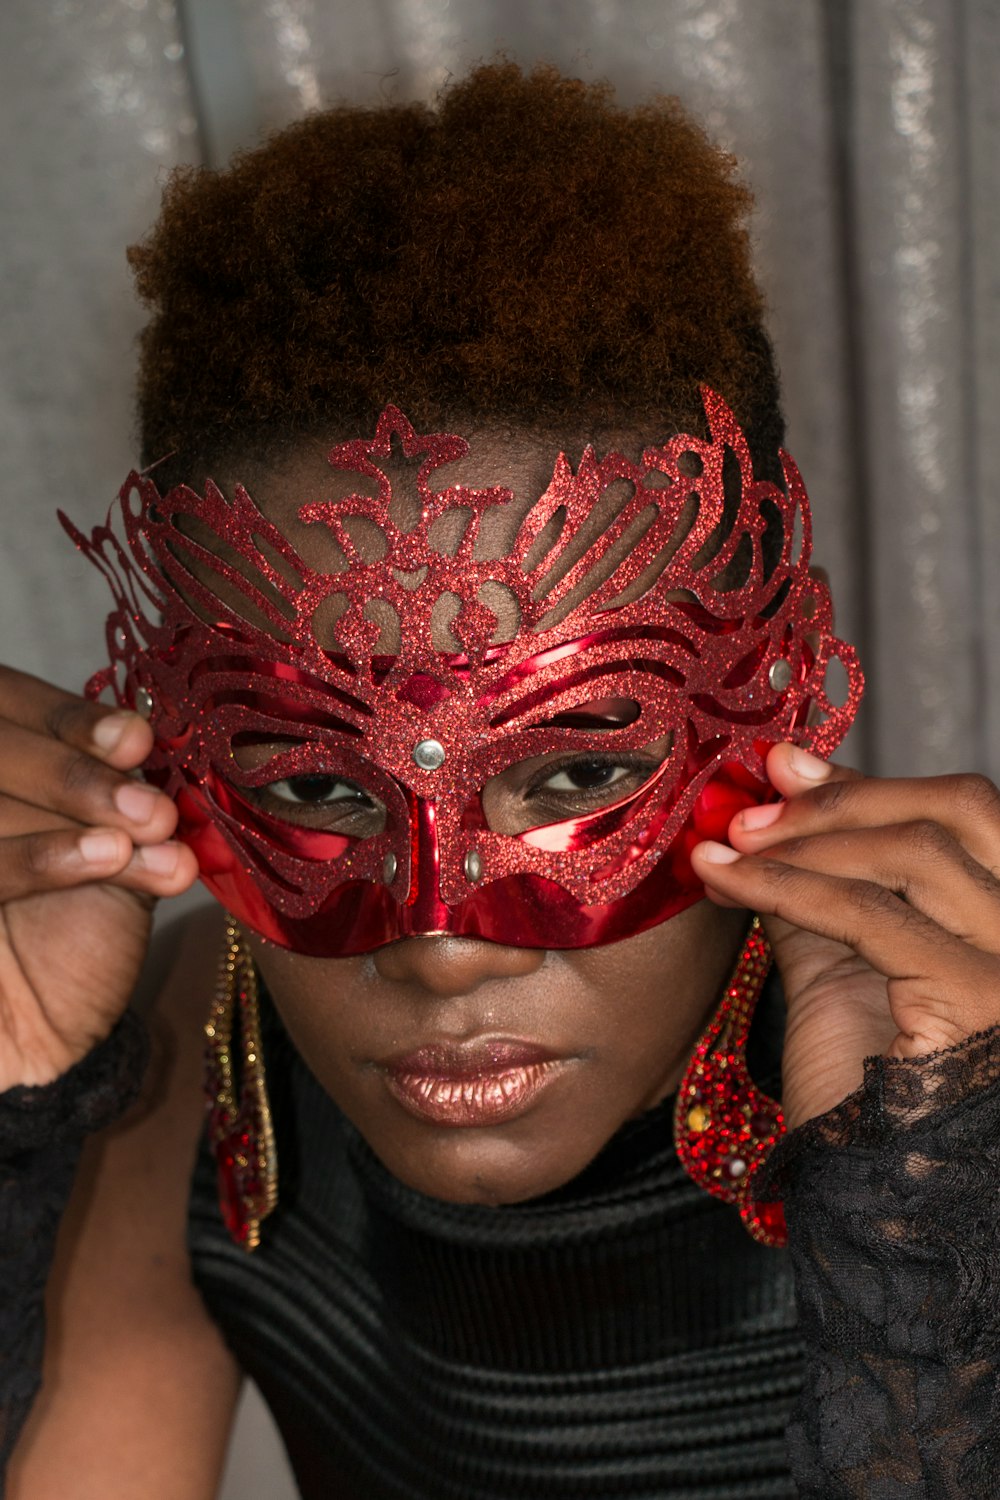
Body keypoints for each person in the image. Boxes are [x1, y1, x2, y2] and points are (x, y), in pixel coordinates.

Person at [2, 61, 999, 1499]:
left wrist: (932, 1248)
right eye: (318, 789)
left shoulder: (962, 1090)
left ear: (779, 696)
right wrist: (17, 1108)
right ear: (162, 751)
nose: (441, 941)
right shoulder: (185, 1051)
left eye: (579, 768)